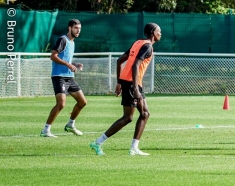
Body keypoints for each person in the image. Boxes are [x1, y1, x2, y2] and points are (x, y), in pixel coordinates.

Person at [90, 23, 161, 156]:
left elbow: (119, 61)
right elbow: (135, 65)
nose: (160, 34)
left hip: (131, 83)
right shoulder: (148, 46)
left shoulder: (138, 43)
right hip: (132, 84)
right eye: (159, 31)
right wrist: (134, 88)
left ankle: (134, 147)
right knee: (128, 117)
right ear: (152, 33)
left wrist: (119, 82)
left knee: (145, 114)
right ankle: (98, 142)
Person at [42, 19, 86, 137]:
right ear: (70, 28)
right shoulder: (63, 40)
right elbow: (53, 56)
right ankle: (46, 130)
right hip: (59, 76)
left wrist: (74, 64)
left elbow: (67, 59)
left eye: (79, 28)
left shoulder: (72, 42)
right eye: (76, 28)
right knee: (61, 104)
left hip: (69, 78)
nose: (78, 31)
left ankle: (70, 124)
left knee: (82, 102)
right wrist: (68, 64)